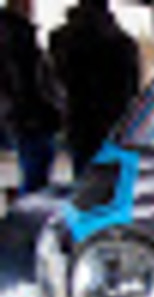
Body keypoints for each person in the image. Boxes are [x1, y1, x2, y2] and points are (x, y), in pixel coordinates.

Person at [49, 0, 140, 178]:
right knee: (114, 182)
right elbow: (132, 89)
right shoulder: (121, 42)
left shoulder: (61, 40)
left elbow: (56, 83)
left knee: (83, 178)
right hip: (113, 123)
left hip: (78, 122)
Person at [0, 0, 61, 195]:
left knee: (35, 169)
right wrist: (48, 107)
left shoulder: (13, 34)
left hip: (22, 116)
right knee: (36, 172)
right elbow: (26, 81)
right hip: (30, 118)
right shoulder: (17, 36)